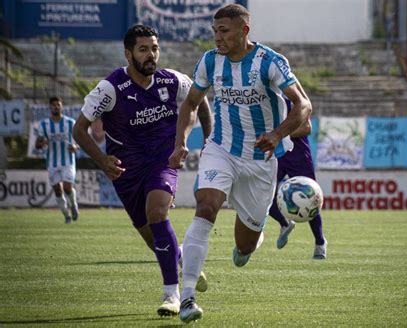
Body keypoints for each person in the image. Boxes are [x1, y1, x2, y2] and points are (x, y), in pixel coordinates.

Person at [168, 4, 312, 323]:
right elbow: (191, 104)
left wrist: (276, 134)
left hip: (261, 161)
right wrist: (180, 143)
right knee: (206, 207)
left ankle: (247, 245)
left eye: (225, 31)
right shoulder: (209, 61)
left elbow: (304, 105)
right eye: (214, 31)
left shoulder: (269, 62)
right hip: (221, 149)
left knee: (244, 247)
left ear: (244, 30)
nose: (218, 37)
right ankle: (186, 296)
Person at [72, 25, 212, 317]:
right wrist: (102, 159)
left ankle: (173, 295)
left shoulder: (173, 80)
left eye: (155, 48)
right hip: (125, 171)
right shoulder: (110, 88)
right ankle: (185, 259)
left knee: (158, 213)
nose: (151, 55)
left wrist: (208, 143)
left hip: (163, 160)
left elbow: (200, 104)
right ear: (128, 54)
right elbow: (80, 130)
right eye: (143, 49)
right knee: (154, 237)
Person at [269, 96, 327, 259]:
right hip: (276, 155)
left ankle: (320, 243)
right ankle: (284, 223)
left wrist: (278, 135)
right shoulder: (264, 98)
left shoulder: (293, 98)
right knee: (263, 195)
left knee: (310, 198)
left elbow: (307, 128)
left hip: (298, 155)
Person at [35, 96, 79, 224]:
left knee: (67, 187)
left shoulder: (70, 123)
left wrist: (75, 147)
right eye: (53, 105)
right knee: (58, 191)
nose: (56, 107)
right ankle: (66, 214)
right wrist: (43, 142)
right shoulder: (44, 125)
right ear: (50, 107)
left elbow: (79, 142)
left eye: (58, 104)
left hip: (68, 161)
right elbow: (37, 145)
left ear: (62, 106)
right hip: (52, 162)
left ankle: (73, 205)